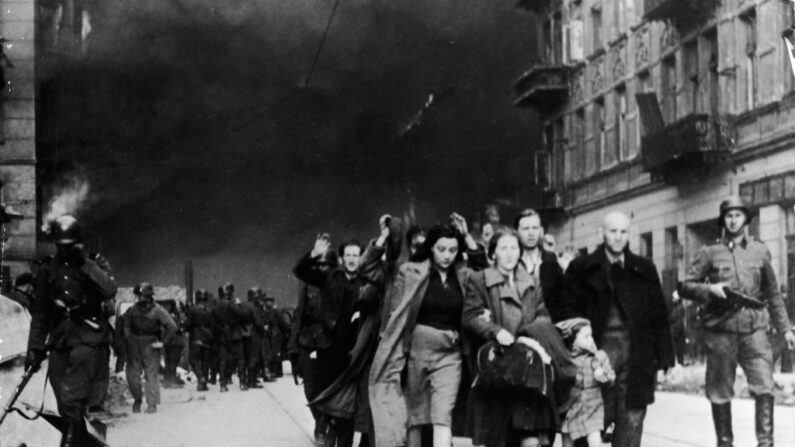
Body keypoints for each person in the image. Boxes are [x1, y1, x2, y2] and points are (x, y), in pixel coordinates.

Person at [678, 196, 795, 447]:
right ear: (723, 220)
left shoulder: (760, 251)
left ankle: (766, 443)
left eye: (738, 215)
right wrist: (710, 290)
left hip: (754, 331)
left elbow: (773, 293)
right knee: (720, 392)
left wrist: (785, 328)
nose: (733, 220)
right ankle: (725, 442)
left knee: (765, 387)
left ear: (745, 219)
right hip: (721, 331)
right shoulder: (709, 253)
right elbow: (685, 286)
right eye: (729, 216)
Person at [370, 213, 487, 447]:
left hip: (450, 354)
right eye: (441, 249)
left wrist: (467, 236)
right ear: (431, 248)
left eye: (453, 250)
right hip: (415, 353)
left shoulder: (464, 275)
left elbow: (486, 272)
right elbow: (396, 312)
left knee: (442, 415)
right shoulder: (409, 271)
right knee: (416, 416)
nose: (447, 255)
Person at [559, 211, 674, 447]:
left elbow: (658, 314)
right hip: (594, 358)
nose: (618, 237)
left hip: (636, 358)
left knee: (631, 421)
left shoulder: (644, 269)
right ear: (602, 233)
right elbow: (565, 311)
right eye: (613, 231)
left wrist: (664, 357)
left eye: (623, 232)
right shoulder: (582, 268)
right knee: (588, 424)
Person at [463, 228, 574, 447]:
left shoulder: (532, 280)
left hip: (528, 366)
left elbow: (543, 314)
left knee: (530, 437)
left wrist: (528, 335)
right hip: (499, 368)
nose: (509, 253)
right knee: (499, 436)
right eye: (503, 248)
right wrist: (495, 331)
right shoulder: (478, 279)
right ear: (493, 253)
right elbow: (470, 316)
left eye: (514, 248)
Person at [25, 215, 118, 446]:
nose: (65, 250)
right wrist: (35, 347)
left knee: (71, 397)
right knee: (63, 402)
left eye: (70, 246)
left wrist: (85, 264)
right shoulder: (48, 268)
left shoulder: (94, 263)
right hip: (60, 341)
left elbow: (109, 290)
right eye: (61, 246)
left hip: (89, 339)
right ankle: (83, 441)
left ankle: (69, 443)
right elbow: (41, 313)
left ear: (78, 243)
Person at [311, 214, 403, 447]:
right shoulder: (373, 275)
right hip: (362, 347)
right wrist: (381, 236)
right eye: (349, 255)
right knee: (353, 400)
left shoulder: (401, 272)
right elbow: (366, 265)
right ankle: (334, 428)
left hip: (389, 347)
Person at [294, 235, 367, 447]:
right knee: (326, 398)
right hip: (331, 347)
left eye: (356, 255)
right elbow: (301, 271)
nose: (353, 259)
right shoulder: (330, 277)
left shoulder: (367, 280)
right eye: (349, 256)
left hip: (357, 349)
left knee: (349, 404)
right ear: (342, 259)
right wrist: (314, 254)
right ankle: (326, 428)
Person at [288, 249, 339, 446]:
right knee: (310, 389)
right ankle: (320, 422)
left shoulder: (337, 286)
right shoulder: (308, 286)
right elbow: (299, 315)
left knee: (329, 388)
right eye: (318, 266)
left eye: (326, 266)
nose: (322, 269)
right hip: (308, 342)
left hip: (331, 343)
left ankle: (328, 425)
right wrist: (293, 345)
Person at [556, 318, 615, 447]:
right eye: (586, 336)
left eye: (591, 336)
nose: (591, 339)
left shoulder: (599, 356)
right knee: (567, 438)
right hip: (572, 406)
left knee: (594, 439)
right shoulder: (568, 359)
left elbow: (611, 377)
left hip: (593, 406)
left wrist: (602, 375)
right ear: (573, 340)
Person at [124, 283, 178, 413]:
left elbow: (172, 326)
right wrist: (129, 339)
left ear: (147, 296)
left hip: (151, 343)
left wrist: (163, 342)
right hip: (135, 343)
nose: (138, 298)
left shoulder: (158, 310)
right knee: (132, 375)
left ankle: (152, 404)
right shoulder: (132, 310)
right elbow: (127, 326)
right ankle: (137, 399)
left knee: (151, 375)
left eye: (140, 295)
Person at [514, 209, 565, 322]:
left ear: (541, 231)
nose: (531, 233)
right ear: (516, 232)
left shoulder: (552, 261)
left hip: (549, 326)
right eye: (526, 229)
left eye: (535, 228)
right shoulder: (512, 262)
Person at [212, 282, 249, 391]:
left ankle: (223, 385)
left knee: (223, 361)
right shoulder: (231, 304)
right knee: (241, 359)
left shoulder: (215, 307)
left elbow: (213, 324)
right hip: (235, 336)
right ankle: (242, 383)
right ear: (229, 294)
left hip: (222, 337)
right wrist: (239, 305)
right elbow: (243, 315)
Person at [184, 289, 214, 391]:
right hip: (207, 337)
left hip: (196, 337)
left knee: (193, 359)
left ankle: (200, 377)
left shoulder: (193, 309)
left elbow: (188, 324)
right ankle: (203, 383)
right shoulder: (210, 310)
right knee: (206, 361)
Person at [262, 294, 291, 380]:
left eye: (270, 301)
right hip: (271, 334)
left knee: (276, 353)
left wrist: (285, 333)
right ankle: (274, 371)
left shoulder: (275, 311)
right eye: (267, 301)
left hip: (276, 335)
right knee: (272, 353)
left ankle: (277, 371)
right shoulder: (267, 311)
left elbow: (283, 323)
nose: (269, 303)